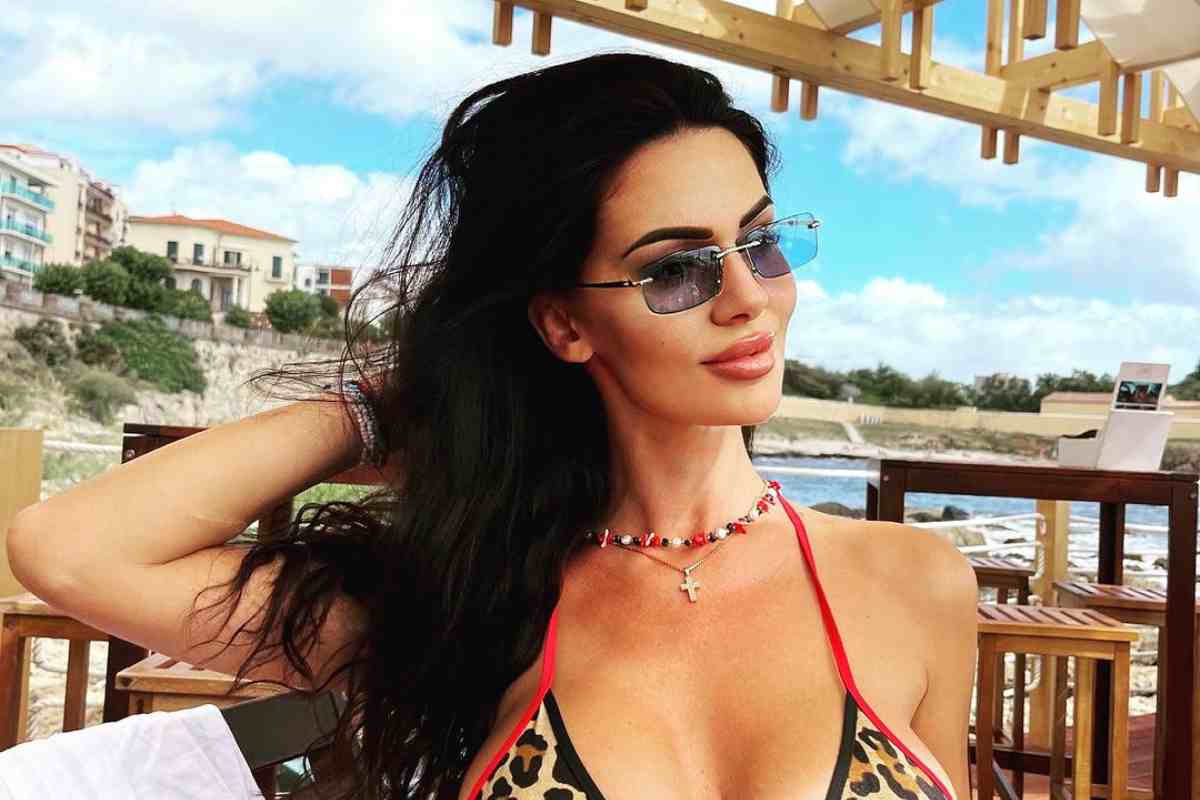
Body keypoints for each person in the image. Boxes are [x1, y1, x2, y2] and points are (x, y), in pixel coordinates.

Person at [7, 53, 977, 800]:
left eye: (759, 243)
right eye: (674, 269)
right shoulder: (466, 595)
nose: (748, 298)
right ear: (563, 323)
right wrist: (383, 404)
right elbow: (71, 550)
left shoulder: (914, 580)